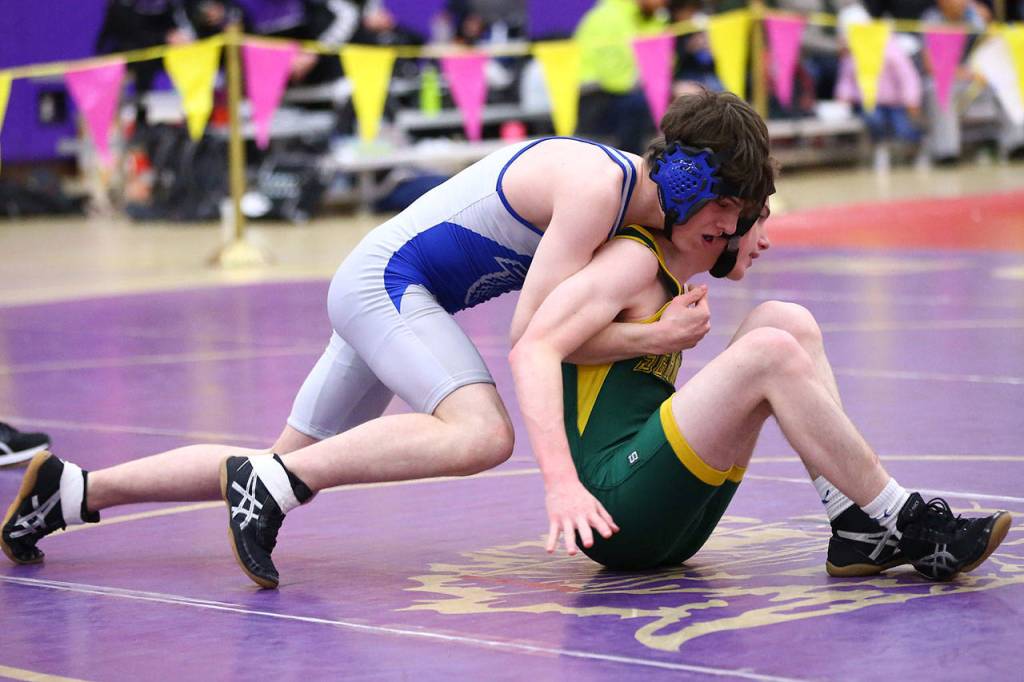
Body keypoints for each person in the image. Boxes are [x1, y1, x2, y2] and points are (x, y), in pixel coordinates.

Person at [2, 90, 774, 588]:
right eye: (728, 217)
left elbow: (586, 321)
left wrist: (688, 294)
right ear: (693, 185)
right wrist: (644, 346)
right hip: (388, 285)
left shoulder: (636, 206)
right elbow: (531, 338)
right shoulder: (599, 189)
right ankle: (266, 486)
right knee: (481, 433)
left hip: (393, 286)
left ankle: (67, 492)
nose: (729, 233)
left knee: (277, 461)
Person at [508, 165, 1011, 579]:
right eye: (760, 221)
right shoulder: (633, 259)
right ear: (723, 220)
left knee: (785, 321)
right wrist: (561, 484)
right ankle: (906, 519)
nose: (765, 241)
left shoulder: (669, 274)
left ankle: (856, 525)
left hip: (664, 518)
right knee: (768, 351)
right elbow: (533, 343)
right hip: (610, 508)